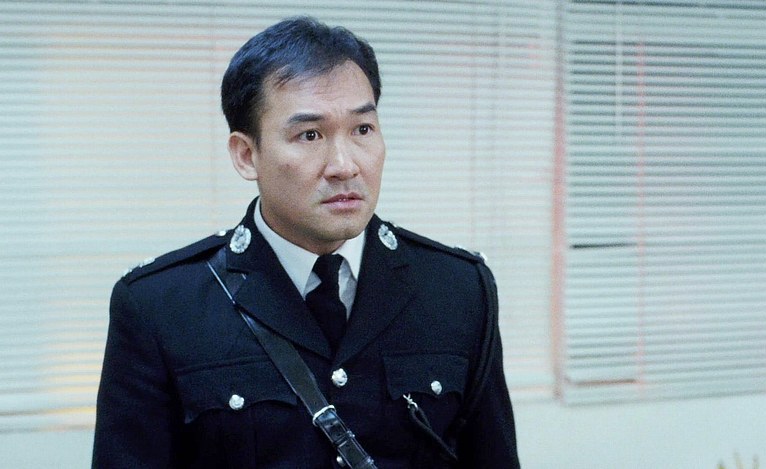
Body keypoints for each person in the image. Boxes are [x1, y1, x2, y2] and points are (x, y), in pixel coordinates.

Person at [93, 16, 519, 468]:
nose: (345, 165)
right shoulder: (161, 307)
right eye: (309, 135)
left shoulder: (457, 289)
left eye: (362, 129)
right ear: (246, 155)